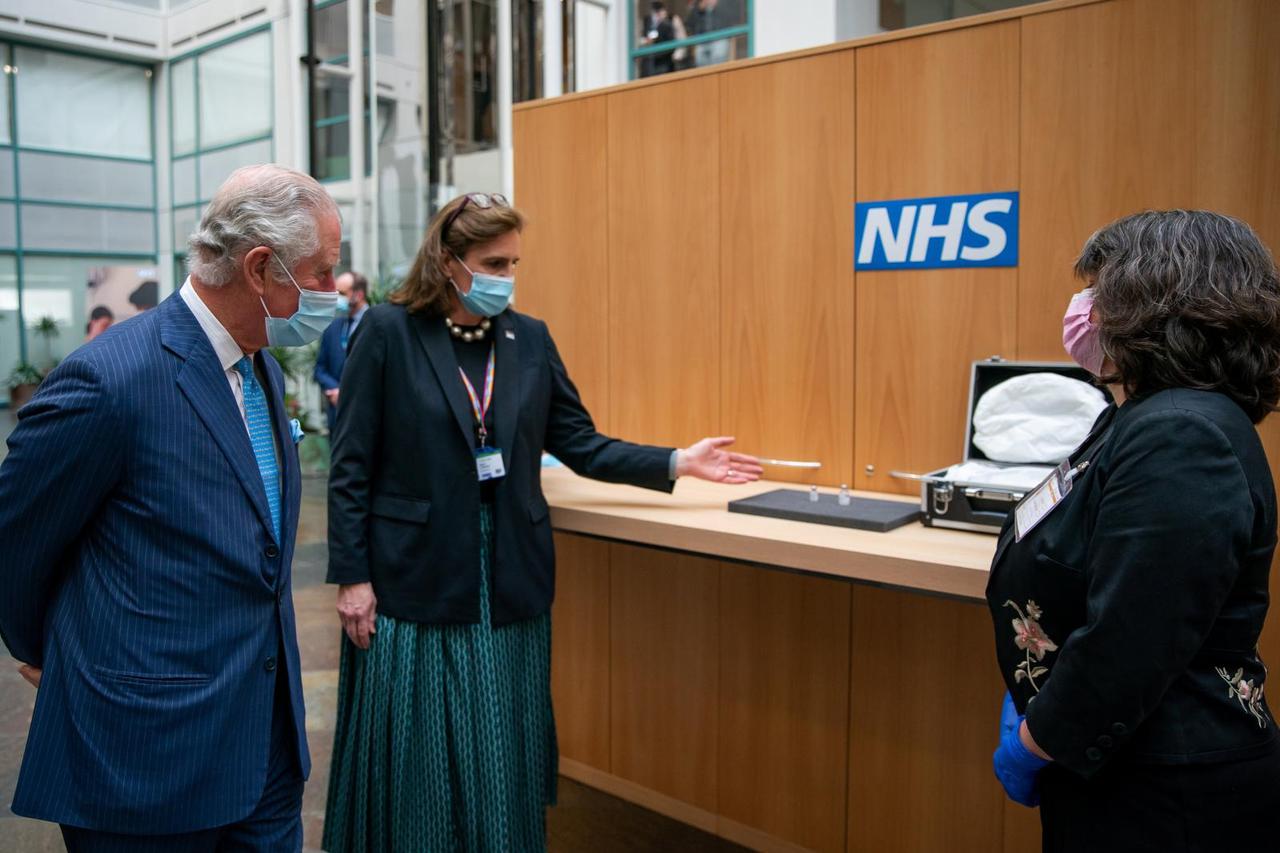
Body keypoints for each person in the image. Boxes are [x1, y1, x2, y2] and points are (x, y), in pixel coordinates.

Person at [322, 191, 763, 852]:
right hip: (416, 571)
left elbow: (580, 443)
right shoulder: (388, 331)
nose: (506, 277)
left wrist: (677, 460)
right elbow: (350, 462)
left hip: (509, 571)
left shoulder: (529, 338)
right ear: (449, 262)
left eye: (515, 264)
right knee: (426, 749)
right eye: (493, 263)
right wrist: (351, 575)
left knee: (499, 738)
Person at [0, 164, 341, 852]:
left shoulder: (261, 365)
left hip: (263, 745)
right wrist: (47, 649)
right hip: (144, 763)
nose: (332, 292)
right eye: (323, 271)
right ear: (260, 267)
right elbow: (16, 535)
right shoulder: (111, 378)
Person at [986, 210, 1280, 851]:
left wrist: (1036, 742)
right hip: (1117, 759)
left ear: (1156, 302)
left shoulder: (1182, 433)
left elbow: (1130, 640)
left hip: (1165, 788)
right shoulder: (1142, 416)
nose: (1084, 310)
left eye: (1100, 292)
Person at [314, 270, 369, 433]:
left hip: (364, 417)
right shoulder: (334, 327)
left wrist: (345, 393)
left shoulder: (377, 324)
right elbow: (319, 369)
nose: (338, 298)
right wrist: (334, 390)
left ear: (358, 295)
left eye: (343, 293)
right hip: (336, 417)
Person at [640, 1, 676, 77]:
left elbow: (671, 46)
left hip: (663, 65)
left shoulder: (667, 25)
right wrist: (646, 41)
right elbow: (643, 39)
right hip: (649, 66)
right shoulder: (647, 23)